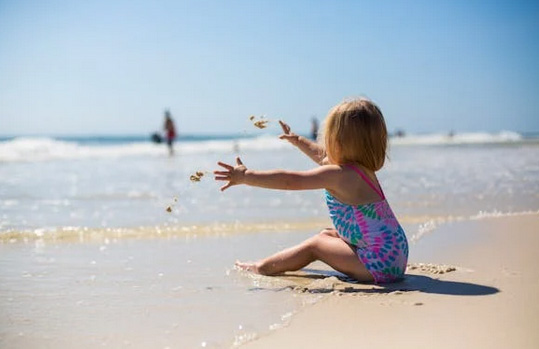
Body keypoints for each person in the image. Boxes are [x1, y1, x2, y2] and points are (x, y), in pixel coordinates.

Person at [214, 98, 408, 283]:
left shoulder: (341, 175)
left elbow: (291, 181)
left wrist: (247, 176)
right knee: (327, 235)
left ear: (337, 141)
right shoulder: (361, 171)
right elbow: (322, 157)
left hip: (378, 264)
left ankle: (262, 267)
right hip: (394, 253)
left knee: (315, 246)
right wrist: (298, 140)